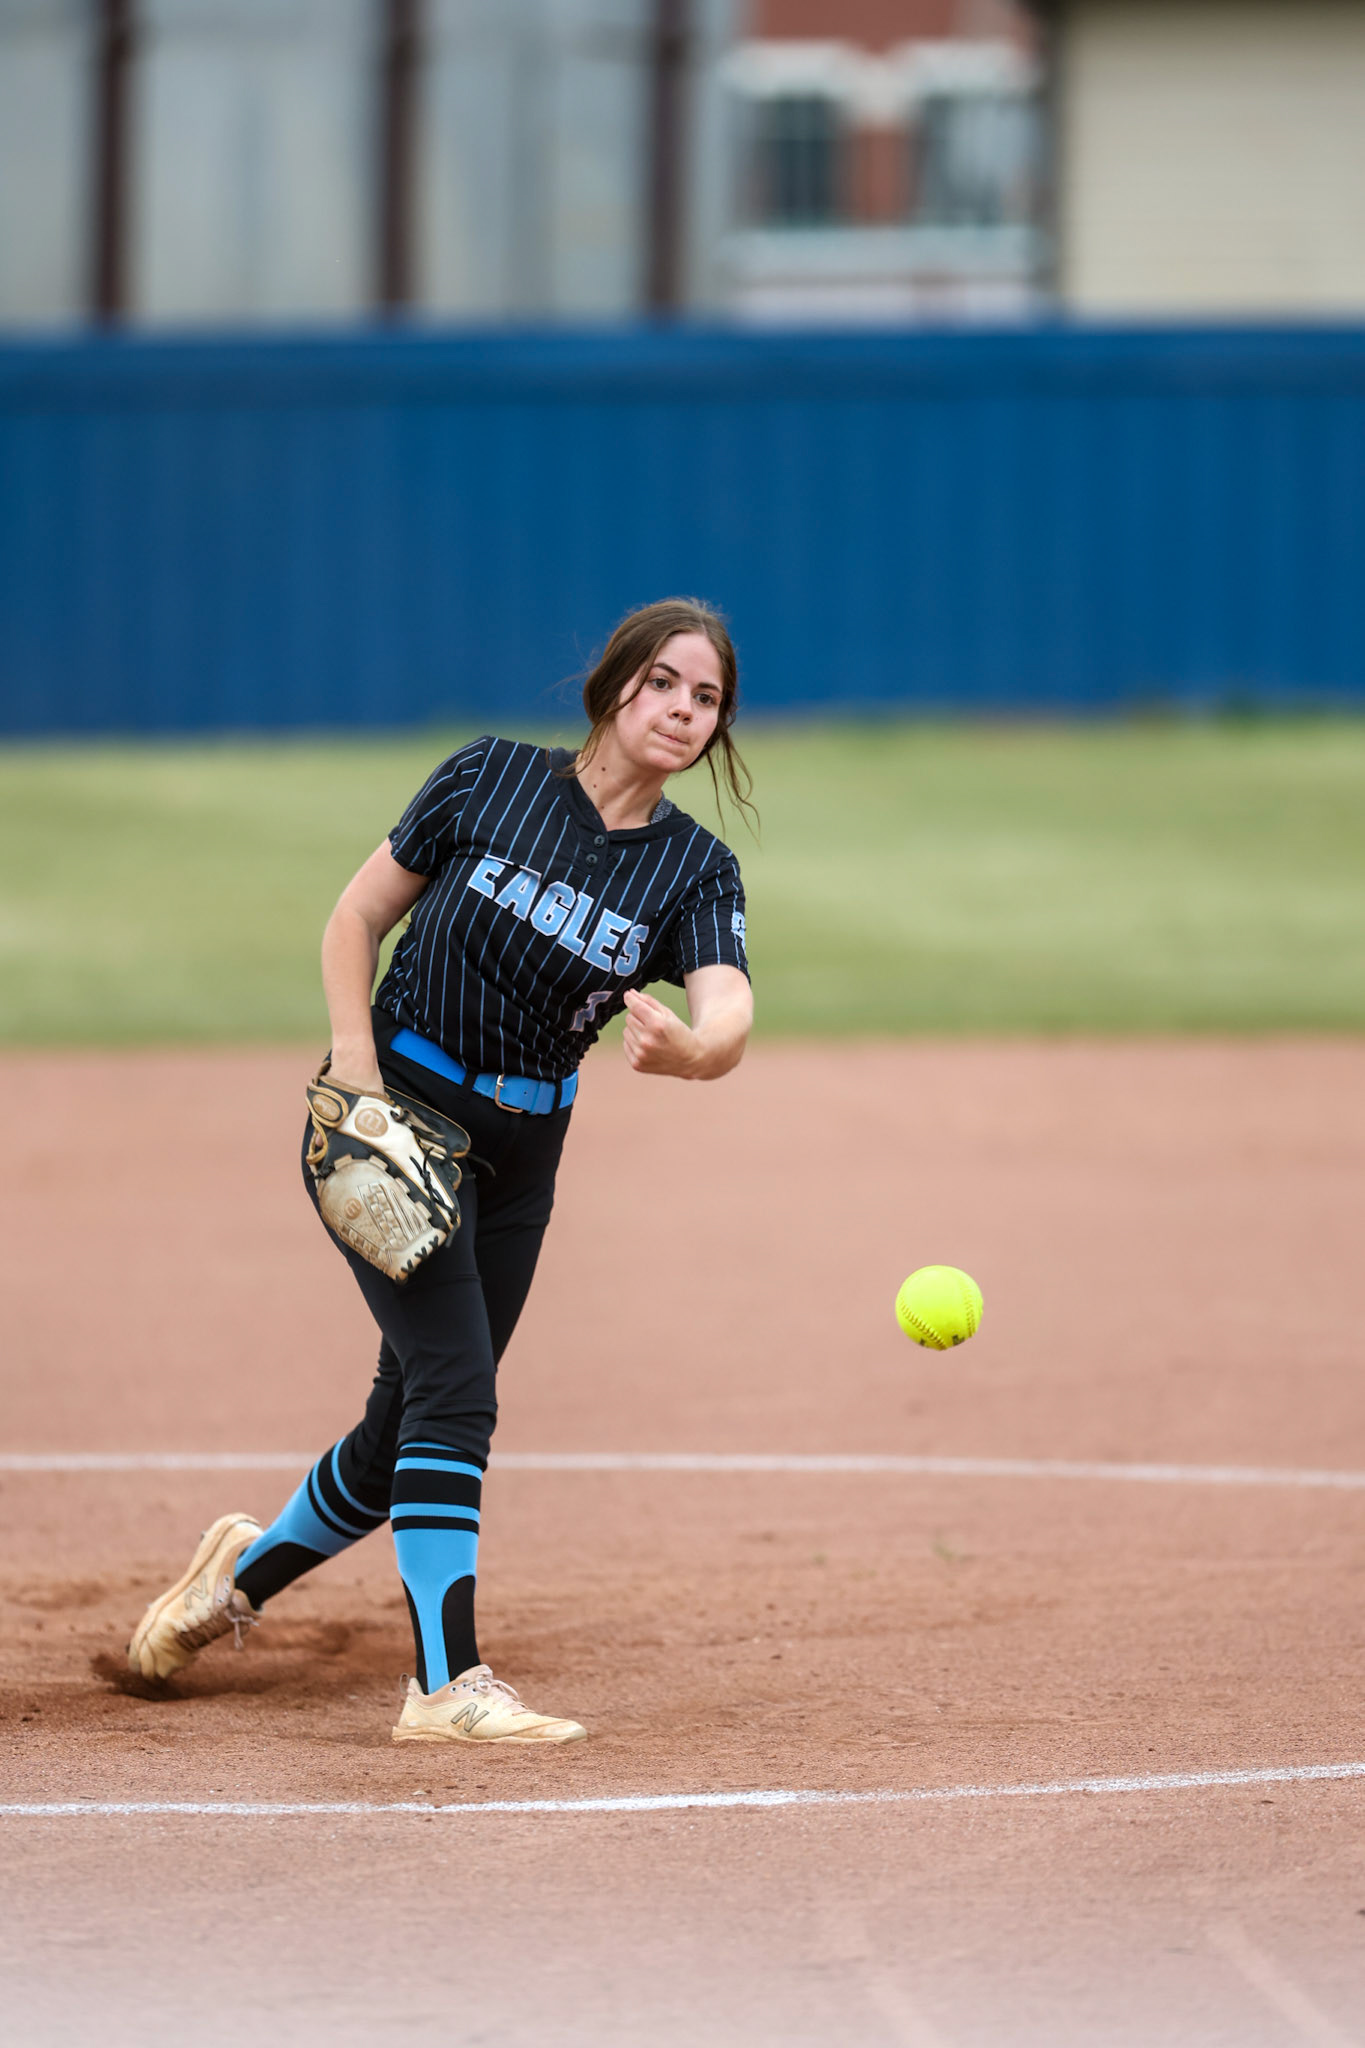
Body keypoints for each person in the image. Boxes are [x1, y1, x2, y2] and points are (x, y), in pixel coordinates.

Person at [126, 598, 754, 1746]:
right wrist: (356, 1076)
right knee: (458, 1389)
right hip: (400, 1116)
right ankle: (444, 1684)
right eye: (664, 681)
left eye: (706, 698)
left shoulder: (693, 868)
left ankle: (232, 1584)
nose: (682, 709)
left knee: (399, 1428)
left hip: (525, 1155)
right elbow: (355, 917)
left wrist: (697, 1049)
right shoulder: (490, 778)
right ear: (615, 685)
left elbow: (729, 1007)